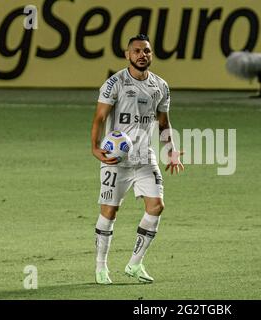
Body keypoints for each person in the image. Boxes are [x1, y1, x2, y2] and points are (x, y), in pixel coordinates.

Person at [91, 34, 184, 284]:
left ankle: (135, 264)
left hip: (145, 157)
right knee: (109, 212)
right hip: (116, 160)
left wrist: (171, 150)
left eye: (147, 51)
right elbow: (99, 118)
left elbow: (163, 122)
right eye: (137, 51)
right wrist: (95, 147)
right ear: (127, 54)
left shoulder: (160, 86)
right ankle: (101, 267)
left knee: (156, 206)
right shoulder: (114, 83)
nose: (142, 55)